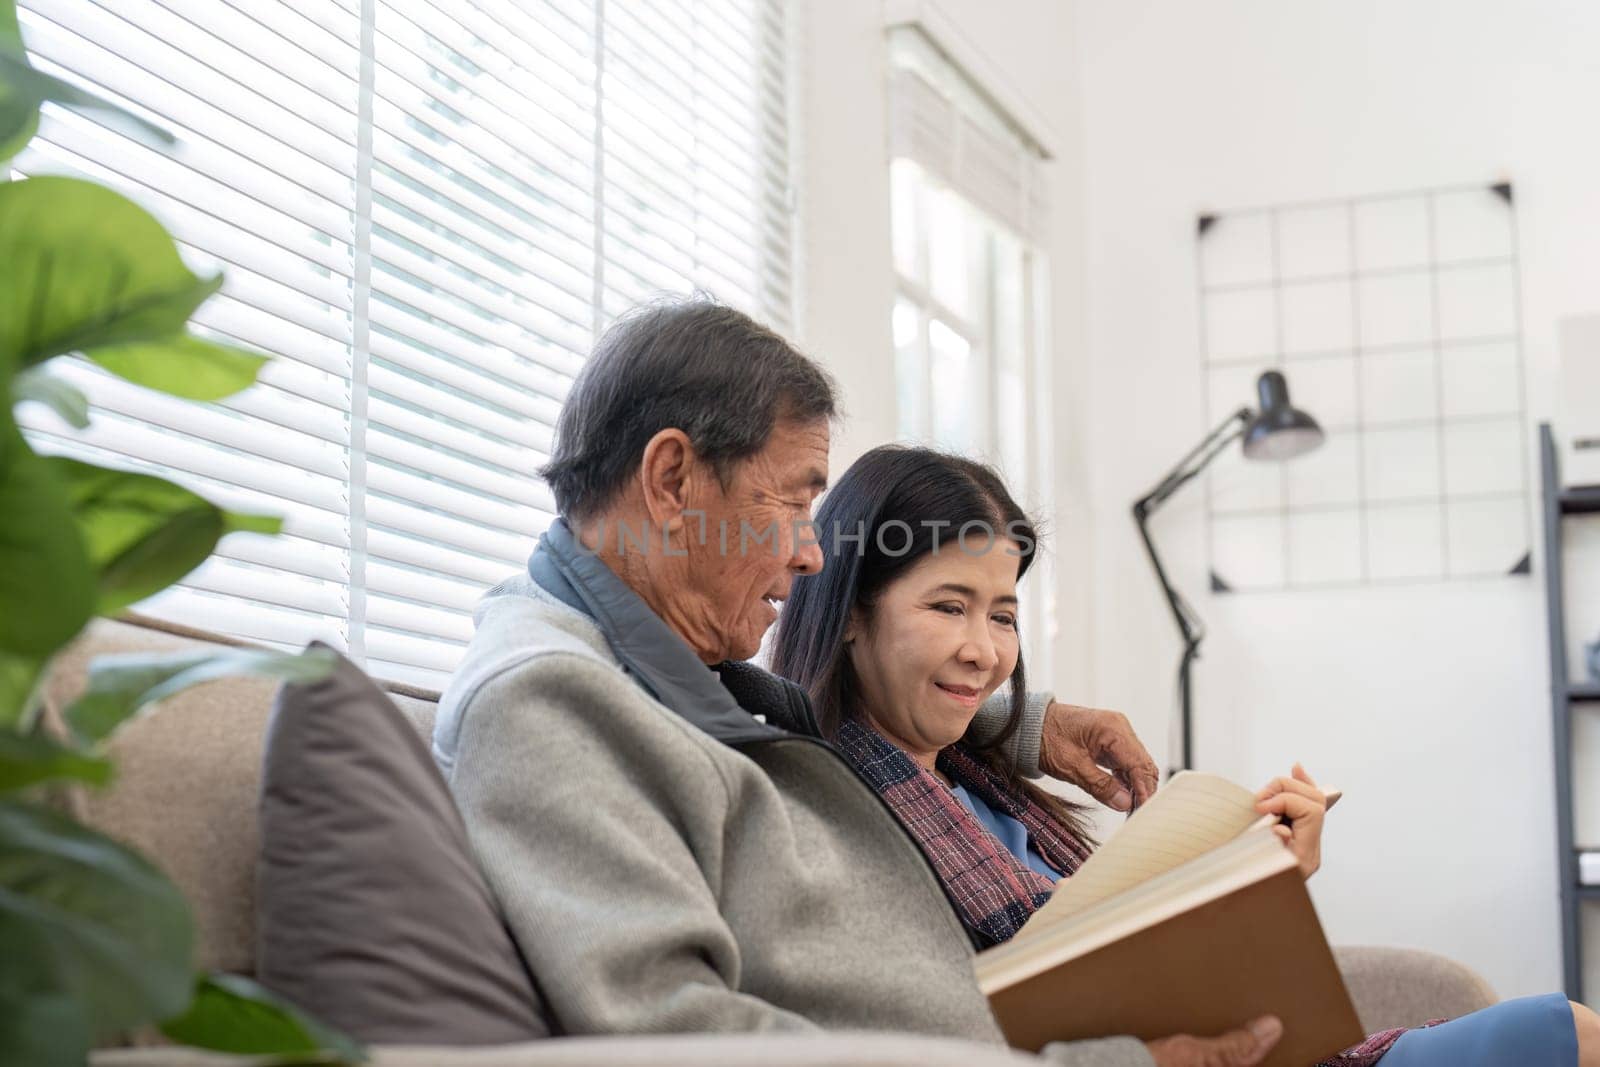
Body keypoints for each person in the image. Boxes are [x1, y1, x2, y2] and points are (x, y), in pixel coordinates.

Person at [433, 298, 1286, 1067]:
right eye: (792, 504)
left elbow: (830, 716)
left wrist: (1024, 723)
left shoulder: (666, 666)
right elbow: (677, 1034)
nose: (811, 554)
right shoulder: (544, 701)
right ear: (671, 480)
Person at [769, 443, 1600, 1067]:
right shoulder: (832, 812)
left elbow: (1136, 954)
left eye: (1003, 615)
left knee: (1567, 1029)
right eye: (949, 606)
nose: (985, 651)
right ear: (848, 609)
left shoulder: (982, 773)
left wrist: (1254, 882)